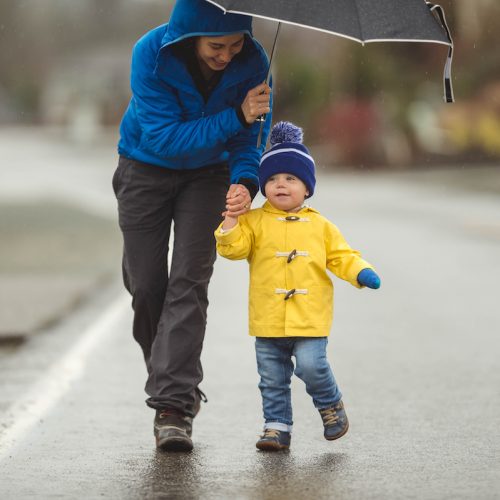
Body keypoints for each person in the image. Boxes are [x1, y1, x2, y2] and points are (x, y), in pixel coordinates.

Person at [112, 0, 272, 452]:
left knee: (190, 281)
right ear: (190, 37)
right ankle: (170, 377)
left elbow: (249, 137)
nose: (226, 56)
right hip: (144, 165)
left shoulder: (256, 62)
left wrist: (245, 180)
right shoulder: (150, 53)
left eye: (235, 45)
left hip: (209, 176)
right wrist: (236, 115)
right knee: (146, 286)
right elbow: (165, 137)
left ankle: (174, 407)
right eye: (216, 46)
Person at [214, 122, 381, 451]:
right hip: (268, 320)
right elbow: (232, 249)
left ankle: (331, 405)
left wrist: (361, 272)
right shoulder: (254, 221)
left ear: (306, 188)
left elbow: (342, 256)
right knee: (272, 380)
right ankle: (276, 428)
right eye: (273, 179)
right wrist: (232, 219)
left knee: (311, 365)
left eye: (290, 178)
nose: (280, 185)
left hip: (309, 319)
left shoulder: (321, 226)